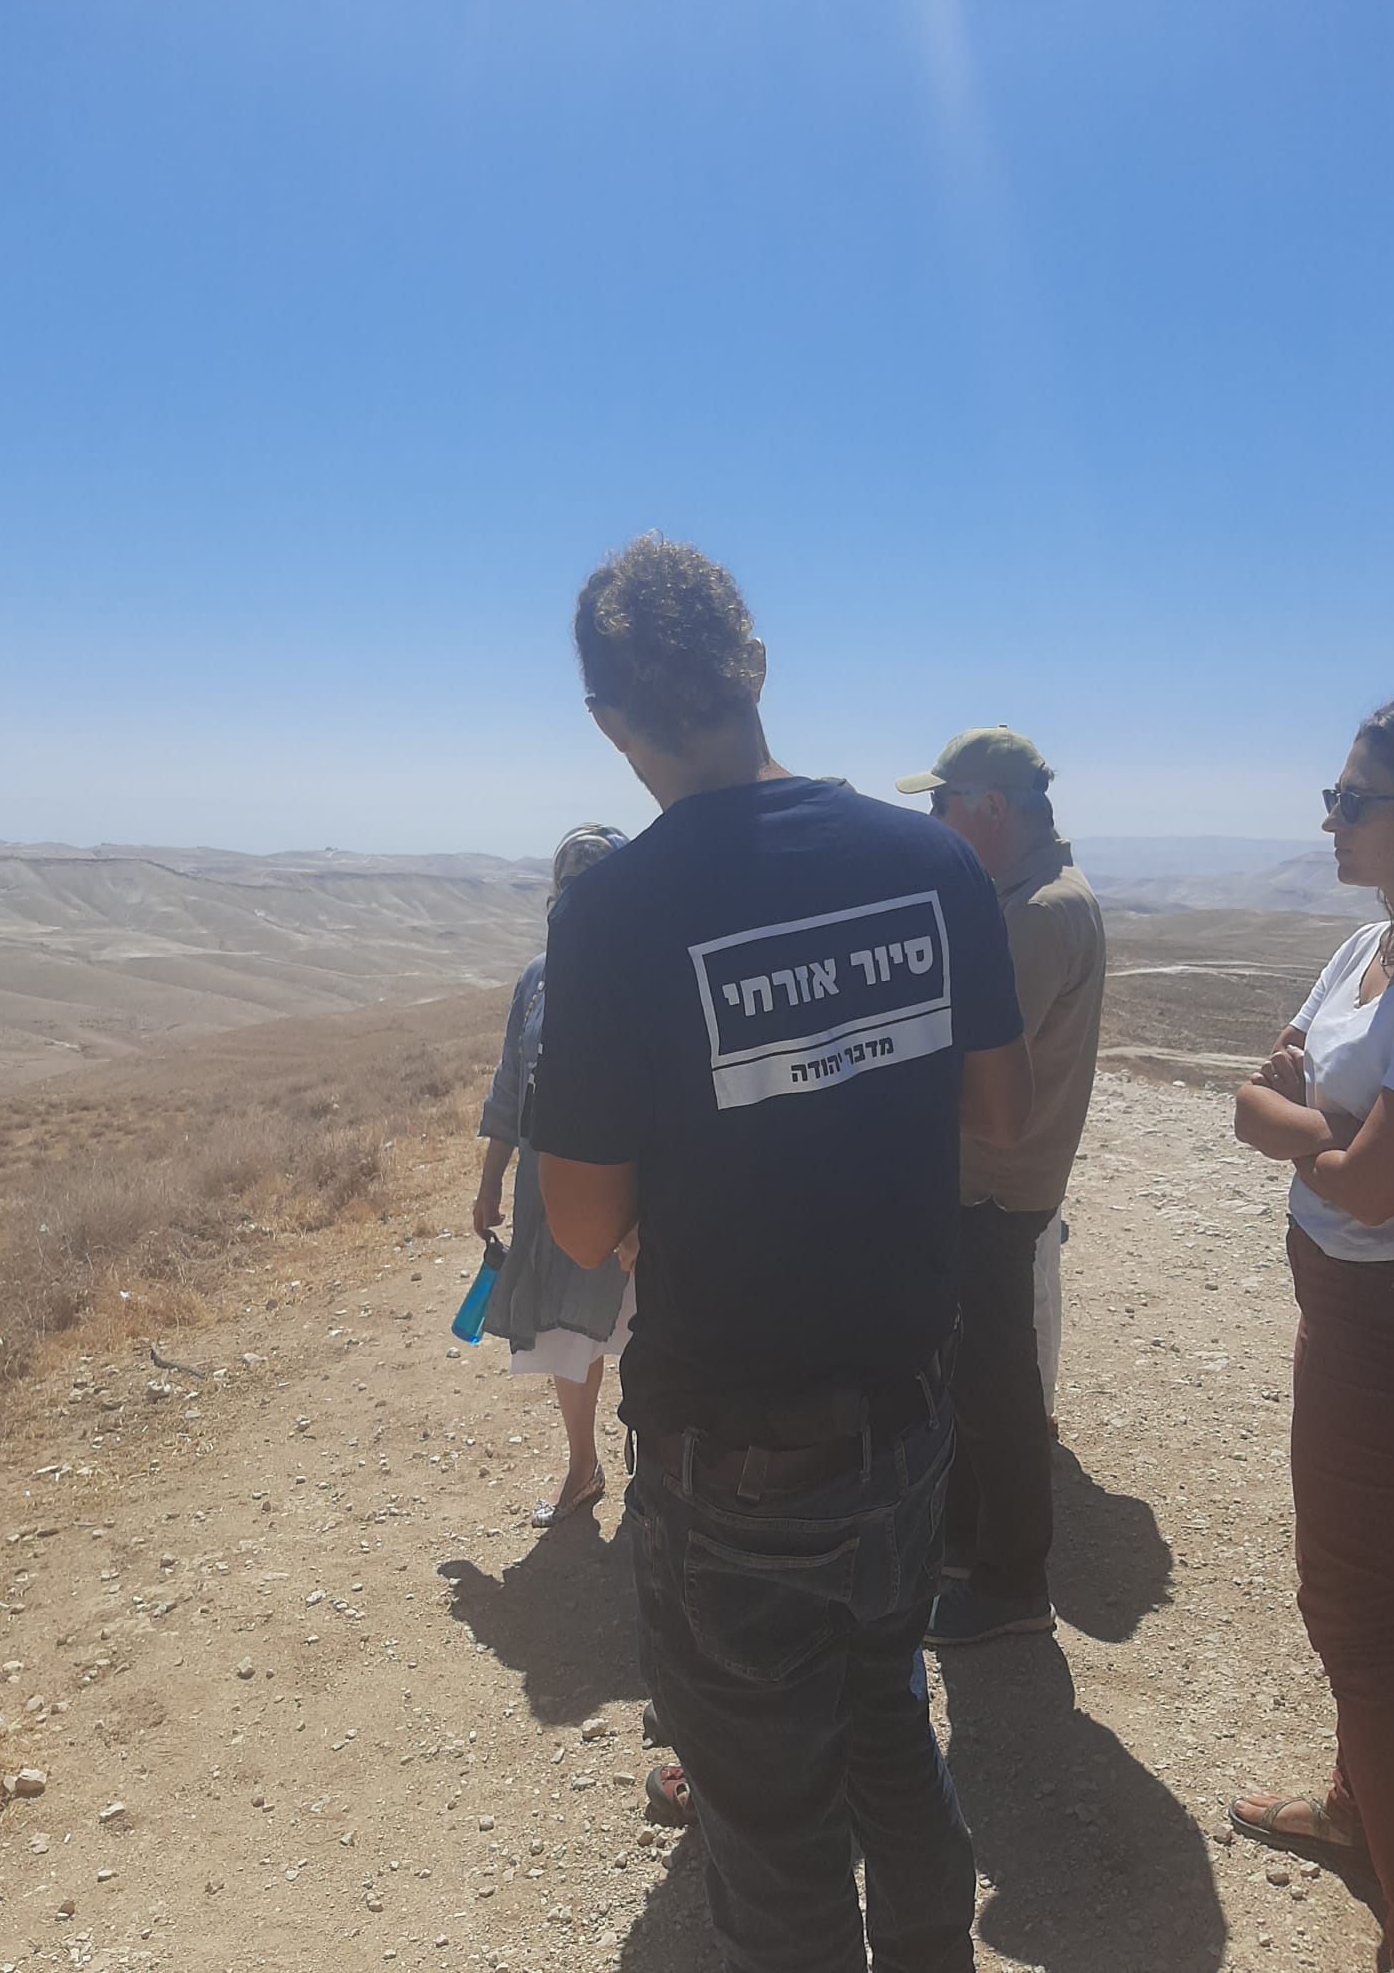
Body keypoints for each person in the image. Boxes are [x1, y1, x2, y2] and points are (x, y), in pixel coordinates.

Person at [529, 533, 1032, 1973]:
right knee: (889, 1722)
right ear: (754, 671)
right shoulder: (927, 856)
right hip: (909, 1419)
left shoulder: (616, 912)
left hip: (737, 1455)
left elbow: (580, 1226)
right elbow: (995, 1115)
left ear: (611, 721)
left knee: (769, 1827)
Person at [1227, 690, 1394, 1973]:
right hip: (1349, 1300)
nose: (1329, 818)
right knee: (1392, 1578)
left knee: (1354, 1612)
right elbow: (1259, 1101)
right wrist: (1335, 1140)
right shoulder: (1373, 947)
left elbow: (1368, 1186)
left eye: (1351, 799)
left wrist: (1324, 1144)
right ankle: (1364, 1811)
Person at [896, 728, 1105, 1644]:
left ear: (987, 806)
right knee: (975, 1374)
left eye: (940, 804)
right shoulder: (1034, 896)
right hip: (993, 1180)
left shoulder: (1036, 914)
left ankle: (1012, 1584)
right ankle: (969, 1542)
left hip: (990, 1183)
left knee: (995, 1386)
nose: (934, 822)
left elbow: (978, 1071)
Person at [473, 823, 633, 1529]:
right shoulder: (537, 980)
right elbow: (512, 1083)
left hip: (635, 1183)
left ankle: (656, 1475)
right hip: (550, 1181)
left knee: (648, 1330)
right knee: (570, 1335)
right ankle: (582, 1468)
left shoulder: (649, 974)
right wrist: (489, 1181)